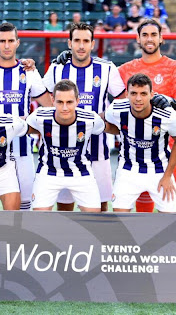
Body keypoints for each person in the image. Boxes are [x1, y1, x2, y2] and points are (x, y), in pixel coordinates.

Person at [0, 23, 52, 211]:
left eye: (11, 41)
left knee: (24, 205)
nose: (7, 45)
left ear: (17, 43)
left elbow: (50, 105)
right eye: (2, 41)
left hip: (21, 151)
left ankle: (20, 241)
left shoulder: (29, 72)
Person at [44, 23, 126, 212]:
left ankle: (97, 242)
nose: (81, 46)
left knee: (101, 204)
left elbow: (122, 101)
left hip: (97, 149)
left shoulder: (106, 68)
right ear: (69, 43)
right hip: (63, 150)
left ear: (93, 44)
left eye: (86, 41)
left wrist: (104, 116)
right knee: (64, 206)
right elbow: (44, 98)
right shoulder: (57, 68)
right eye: (77, 41)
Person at [118, 19, 176, 213]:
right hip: (137, 150)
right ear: (138, 39)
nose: (149, 39)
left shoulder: (174, 67)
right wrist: (69, 60)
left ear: (161, 39)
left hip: (169, 147)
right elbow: (97, 79)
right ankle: (144, 244)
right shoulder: (126, 69)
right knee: (143, 205)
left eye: (153, 35)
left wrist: (172, 102)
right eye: (145, 35)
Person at [105, 73, 176, 213]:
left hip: (159, 171)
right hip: (128, 170)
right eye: (133, 93)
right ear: (127, 94)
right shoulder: (116, 108)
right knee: (120, 218)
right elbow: (105, 122)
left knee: (170, 218)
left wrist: (167, 176)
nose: (138, 98)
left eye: (143, 93)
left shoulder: (168, 115)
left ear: (152, 94)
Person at [26, 80, 105, 212]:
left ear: (77, 101)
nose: (64, 108)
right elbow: (25, 128)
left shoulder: (91, 120)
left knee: (94, 218)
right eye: (60, 102)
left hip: (81, 172)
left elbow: (104, 129)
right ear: (52, 99)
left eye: (69, 102)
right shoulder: (38, 117)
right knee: (39, 218)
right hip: (48, 172)